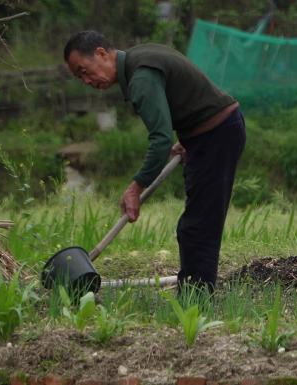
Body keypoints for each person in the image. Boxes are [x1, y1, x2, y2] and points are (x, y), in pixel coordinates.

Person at [63, 31, 246, 294]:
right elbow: (186, 92)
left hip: (216, 135)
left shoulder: (141, 78)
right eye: (79, 77)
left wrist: (135, 188)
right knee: (197, 223)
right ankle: (194, 289)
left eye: (84, 70)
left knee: (198, 226)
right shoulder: (141, 55)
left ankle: (196, 298)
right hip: (208, 132)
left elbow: (160, 140)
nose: (86, 81)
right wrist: (189, 133)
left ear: (102, 53)